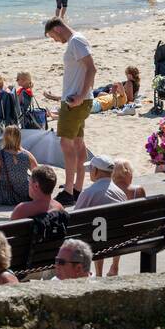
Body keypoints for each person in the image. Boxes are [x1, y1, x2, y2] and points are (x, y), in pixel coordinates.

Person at [44, 18, 97, 206]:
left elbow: (92, 68)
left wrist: (81, 96)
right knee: (78, 143)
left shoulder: (76, 41)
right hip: (77, 100)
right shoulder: (77, 40)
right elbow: (84, 71)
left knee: (66, 144)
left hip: (75, 103)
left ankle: (69, 190)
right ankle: (76, 187)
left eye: (53, 36)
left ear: (58, 28)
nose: (55, 41)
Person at [0, 125, 38, 209]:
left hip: (3, 196)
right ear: (19, 138)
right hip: (24, 194)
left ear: (4, 137)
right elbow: (38, 174)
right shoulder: (27, 154)